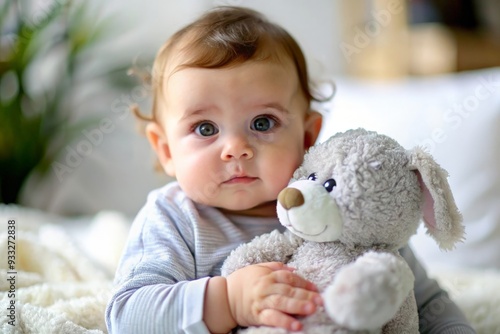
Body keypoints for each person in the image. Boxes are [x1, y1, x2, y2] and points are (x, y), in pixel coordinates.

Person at [105, 6, 476, 334]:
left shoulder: (345, 209)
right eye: (205, 129)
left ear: (307, 136)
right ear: (166, 150)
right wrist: (229, 301)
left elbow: (426, 301)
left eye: (263, 123)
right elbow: (127, 315)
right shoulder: (173, 218)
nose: (236, 149)